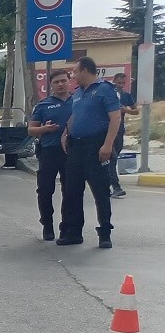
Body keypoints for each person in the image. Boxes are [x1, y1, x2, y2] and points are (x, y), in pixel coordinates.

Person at [59, 57, 121, 249]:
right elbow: (76, 115)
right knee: (72, 191)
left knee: (100, 191)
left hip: (96, 146)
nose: (73, 75)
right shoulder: (78, 93)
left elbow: (115, 118)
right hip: (76, 147)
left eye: (75, 71)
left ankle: (105, 233)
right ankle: (74, 233)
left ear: (85, 70)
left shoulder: (105, 90)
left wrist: (108, 145)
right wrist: (66, 132)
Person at [28, 69, 73, 241]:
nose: (60, 84)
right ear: (51, 85)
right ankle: (47, 224)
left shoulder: (77, 101)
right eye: (56, 82)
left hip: (71, 152)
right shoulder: (43, 105)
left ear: (69, 81)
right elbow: (31, 130)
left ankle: (66, 227)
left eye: (63, 81)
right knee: (45, 190)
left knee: (70, 191)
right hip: (49, 151)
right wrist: (45, 129)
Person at [107, 72, 139, 199]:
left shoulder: (126, 95)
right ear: (114, 80)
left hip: (119, 131)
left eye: (123, 83)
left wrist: (126, 110)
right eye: (118, 82)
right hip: (107, 130)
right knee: (112, 158)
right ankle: (116, 187)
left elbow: (136, 111)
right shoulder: (108, 94)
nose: (120, 85)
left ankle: (107, 183)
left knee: (112, 160)